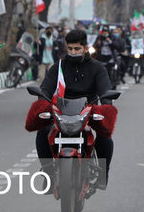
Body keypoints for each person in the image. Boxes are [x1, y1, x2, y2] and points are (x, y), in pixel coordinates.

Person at [37, 29, 114, 187]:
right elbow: (45, 89)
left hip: (88, 111)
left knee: (105, 135)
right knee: (42, 131)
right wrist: (42, 103)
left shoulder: (98, 68)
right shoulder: (58, 67)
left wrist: (106, 106)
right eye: (70, 48)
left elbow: (105, 91)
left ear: (86, 48)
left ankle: (103, 175)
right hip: (62, 111)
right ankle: (48, 175)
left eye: (77, 49)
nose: (73, 52)